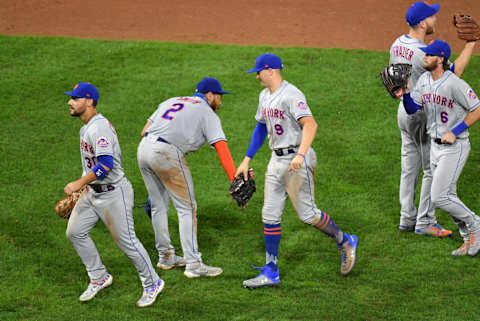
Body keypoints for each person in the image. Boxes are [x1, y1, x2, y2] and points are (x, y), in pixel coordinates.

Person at [236, 53, 358, 289]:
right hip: (276, 161)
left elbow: (310, 124)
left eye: (259, 72)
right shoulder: (264, 96)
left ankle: (345, 240)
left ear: (270, 70)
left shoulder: (292, 95)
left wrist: (301, 155)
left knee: (308, 215)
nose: (257, 76)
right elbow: (261, 128)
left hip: (297, 159)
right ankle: (271, 271)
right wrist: (246, 159)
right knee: (269, 215)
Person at [62, 82, 163, 307]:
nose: (70, 101)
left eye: (75, 98)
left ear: (89, 101)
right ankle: (99, 277)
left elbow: (105, 164)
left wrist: (78, 183)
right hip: (92, 193)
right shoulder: (85, 127)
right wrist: (80, 190)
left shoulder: (99, 128)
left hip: (114, 194)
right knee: (75, 232)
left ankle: (153, 283)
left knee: (127, 242)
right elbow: (91, 165)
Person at [389, 1, 476, 236]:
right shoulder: (421, 52)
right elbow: (452, 74)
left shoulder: (397, 43)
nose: (435, 20)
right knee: (431, 169)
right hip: (424, 114)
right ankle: (425, 221)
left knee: (409, 166)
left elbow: (394, 81)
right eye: (432, 17)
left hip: (404, 112)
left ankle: (406, 217)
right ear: (422, 23)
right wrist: (470, 44)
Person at [137, 77, 237, 278]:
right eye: (219, 96)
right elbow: (221, 147)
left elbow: (144, 131)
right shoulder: (206, 112)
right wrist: (234, 178)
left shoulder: (171, 101)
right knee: (187, 209)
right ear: (209, 95)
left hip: (144, 150)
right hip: (166, 153)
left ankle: (166, 256)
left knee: (158, 206)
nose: (220, 102)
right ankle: (194, 264)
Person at [402, 40, 480, 256]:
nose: (425, 58)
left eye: (429, 55)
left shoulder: (455, 83)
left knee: (439, 197)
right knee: (449, 196)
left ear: (441, 58)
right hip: (434, 147)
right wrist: (405, 92)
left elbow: (477, 109)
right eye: (425, 55)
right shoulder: (425, 80)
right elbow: (411, 109)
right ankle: (468, 239)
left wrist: (454, 131)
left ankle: (476, 224)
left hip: (455, 147)